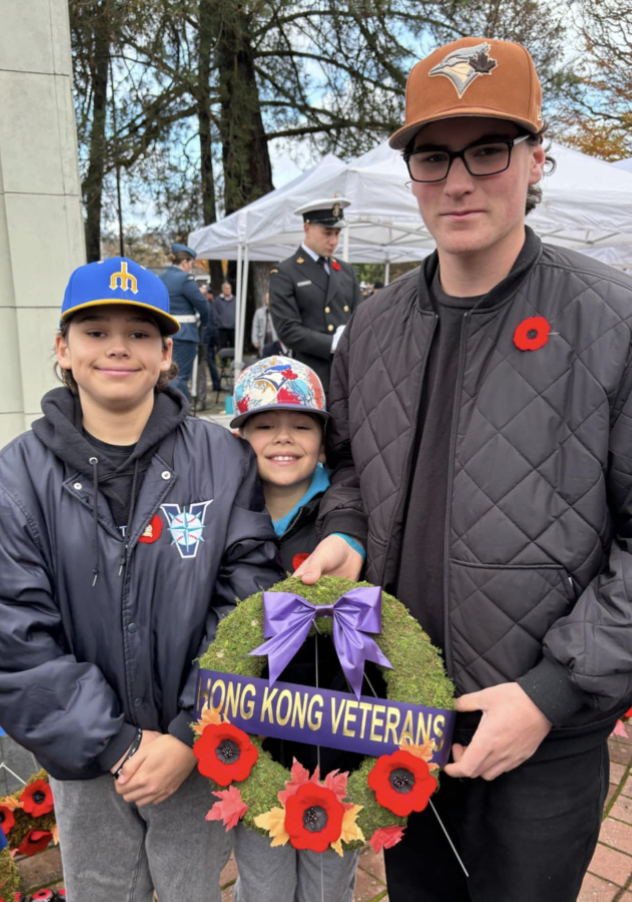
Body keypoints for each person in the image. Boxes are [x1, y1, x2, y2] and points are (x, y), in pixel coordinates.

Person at [293, 37, 632, 902]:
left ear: (535, 158)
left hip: (540, 735)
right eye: (433, 156)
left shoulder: (610, 320)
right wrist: (345, 536)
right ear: (411, 173)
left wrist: (552, 694)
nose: (459, 181)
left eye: (489, 150)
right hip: (402, 719)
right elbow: (355, 470)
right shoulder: (371, 328)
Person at [0, 257, 281, 902]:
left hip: (197, 747)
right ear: (63, 351)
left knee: (191, 889)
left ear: (166, 356)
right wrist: (117, 746)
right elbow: (15, 639)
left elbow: (250, 601)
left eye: (140, 333)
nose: (118, 347)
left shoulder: (223, 458)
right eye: (95, 331)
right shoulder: (17, 477)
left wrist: (190, 733)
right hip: (87, 759)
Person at [229, 356, 366, 902]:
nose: (283, 437)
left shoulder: (353, 511)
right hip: (253, 742)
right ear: (239, 435)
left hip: (338, 736)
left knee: (330, 882)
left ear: (324, 436)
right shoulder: (225, 513)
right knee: (262, 881)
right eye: (264, 423)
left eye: (302, 424)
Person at [269, 198, 363, 392]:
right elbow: (287, 329)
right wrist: (332, 343)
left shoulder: (345, 271)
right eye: (327, 233)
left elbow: (360, 316)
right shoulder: (286, 272)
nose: (334, 241)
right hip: (310, 375)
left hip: (347, 371)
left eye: (337, 233)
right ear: (307, 228)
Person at [159, 242, 209, 400]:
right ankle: (179, 413)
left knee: (165, 375)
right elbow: (204, 306)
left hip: (164, 332)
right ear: (185, 262)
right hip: (185, 334)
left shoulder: (161, 279)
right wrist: (204, 325)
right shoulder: (185, 279)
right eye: (191, 264)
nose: (191, 268)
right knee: (179, 377)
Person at [251, 292, 278, 357]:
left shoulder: (277, 312)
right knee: (264, 359)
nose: (268, 300)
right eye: (267, 298)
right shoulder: (259, 312)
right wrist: (255, 340)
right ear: (265, 300)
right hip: (263, 340)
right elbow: (255, 326)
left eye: (270, 298)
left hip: (275, 339)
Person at [215, 281, 236, 349]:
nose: (228, 290)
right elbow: (215, 312)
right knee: (222, 347)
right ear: (222, 290)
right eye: (226, 288)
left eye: (229, 288)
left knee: (233, 347)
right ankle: (223, 359)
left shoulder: (235, 300)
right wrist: (219, 323)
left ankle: (233, 359)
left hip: (233, 328)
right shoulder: (218, 300)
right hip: (222, 328)